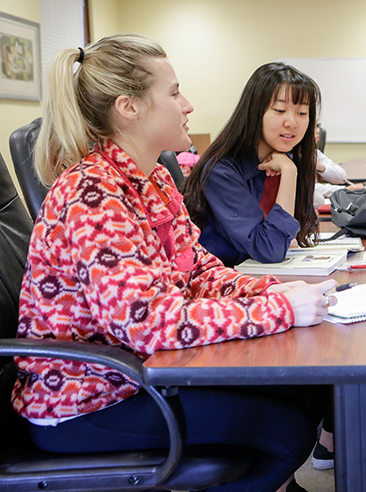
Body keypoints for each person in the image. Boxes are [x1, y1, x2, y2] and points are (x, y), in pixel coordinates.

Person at [19, 34, 338, 492]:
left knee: (305, 393)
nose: (187, 105)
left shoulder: (155, 182)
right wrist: (281, 311)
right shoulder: (92, 193)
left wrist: (269, 291)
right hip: (88, 400)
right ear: (129, 107)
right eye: (173, 93)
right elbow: (146, 322)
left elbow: (198, 269)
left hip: (142, 372)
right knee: (283, 431)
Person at [183, 62, 319, 267]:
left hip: (254, 275)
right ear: (254, 112)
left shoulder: (282, 160)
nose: (292, 122)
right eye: (280, 110)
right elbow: (270, 250)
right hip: (220, 281)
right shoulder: (221, 170)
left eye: (302, 113)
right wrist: (290, 172)